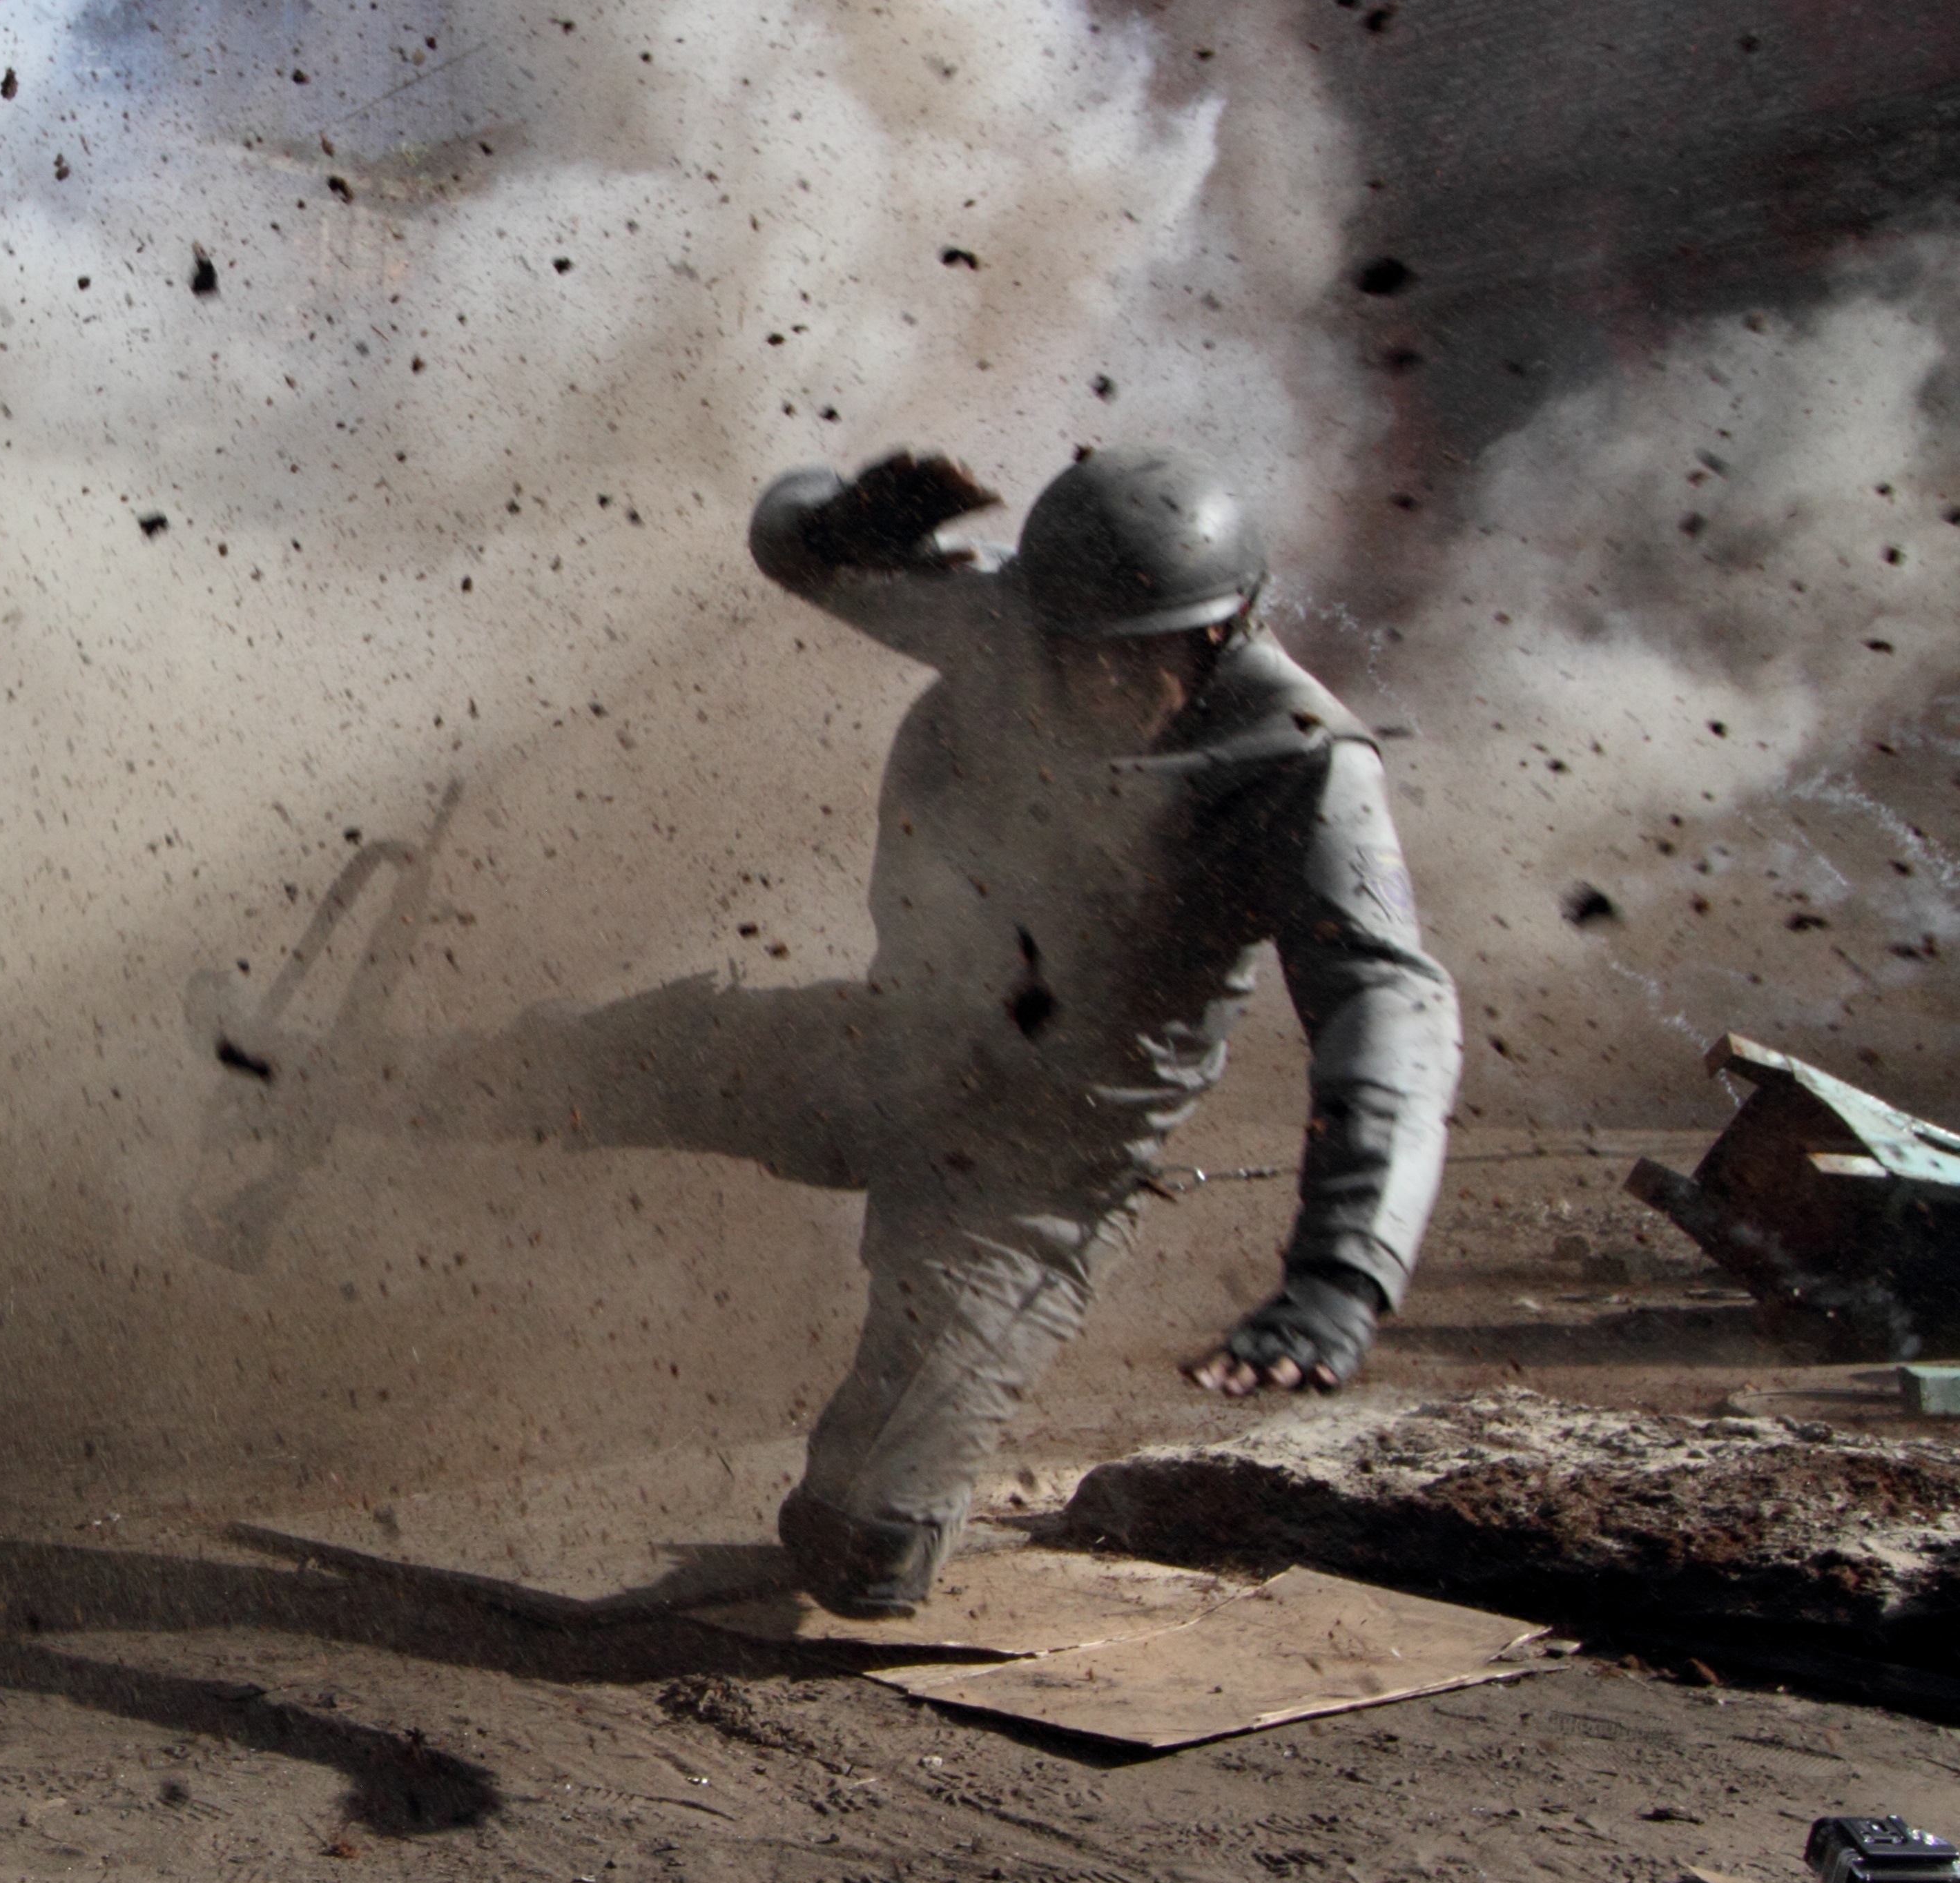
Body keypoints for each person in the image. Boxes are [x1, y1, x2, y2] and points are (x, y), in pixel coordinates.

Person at [327, 446, 1461, 1617]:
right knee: (593, 1068)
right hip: (884, 1049)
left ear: (1222, 635)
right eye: (1068, 645)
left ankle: (871, 1520)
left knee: (864, 1552)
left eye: (1138, 656)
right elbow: (792, 551)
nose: (1091, 680)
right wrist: (840, 522)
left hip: (1032, 1172)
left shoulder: (1300, 765)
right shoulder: (1010, 628)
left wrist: (1339, 1274)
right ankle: (308, 1085)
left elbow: (1388, 1009)